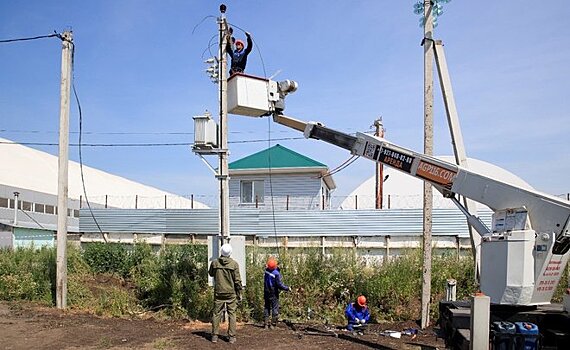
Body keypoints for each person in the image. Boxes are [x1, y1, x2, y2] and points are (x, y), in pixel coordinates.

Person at [209, 243, 242, 344]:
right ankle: (231, 337)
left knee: (216, 313)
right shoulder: (234, 264)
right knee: (232, 314)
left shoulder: (214, 263)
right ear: (230, 253)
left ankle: (214, 336)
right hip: (231, 293)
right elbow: (237, 281)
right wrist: (239, 292)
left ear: (221, 252)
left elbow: (210, 273)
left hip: (218, 292)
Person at [263, 257, 291, 329]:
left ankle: (266, 324)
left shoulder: (266, 271)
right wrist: (287, 288)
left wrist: (277, 268)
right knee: (275, 307)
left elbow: (270, 269)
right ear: (275, 266)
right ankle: (273, 325)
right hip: (273, 292)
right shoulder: (276, 273)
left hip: (266, 291)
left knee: (267, 307)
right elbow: (279, 285)